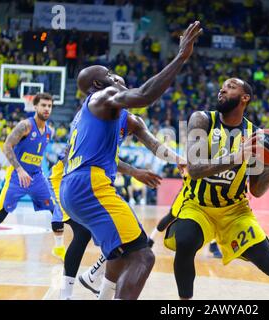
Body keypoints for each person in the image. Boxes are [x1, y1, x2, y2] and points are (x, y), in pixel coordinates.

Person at [59, 21, 202, 300]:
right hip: (90, 185)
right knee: (143, 256)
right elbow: (145, 95)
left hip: (76, 186)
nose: (117, 75)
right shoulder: (103, 97)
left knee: (120, 249)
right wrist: (180, 57)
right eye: (110, 73)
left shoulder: (114, 116)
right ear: (99, 84)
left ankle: (100, 289)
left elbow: (151, 142)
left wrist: (177, 161)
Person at [163, 78, 269, 300]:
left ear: (245, 98)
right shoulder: (202, 120)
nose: (222, 89)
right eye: (222, 86)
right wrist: (235, 157)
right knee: (185, 241)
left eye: (230, 86)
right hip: (197, 207)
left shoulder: (256, 137)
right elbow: (194, 169)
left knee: (268, 261)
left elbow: (257, 190)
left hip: (235, 211)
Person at [0, 93, 59, 254]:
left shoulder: (49, 132)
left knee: (56, 209)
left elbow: (37, 154)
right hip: (17, 177)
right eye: (43, 105)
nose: (47, 109)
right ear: (35, 107)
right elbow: (7, 146)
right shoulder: (25, 126)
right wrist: (19, 169)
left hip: (37, 177)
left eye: (49, 106)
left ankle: (59, 247)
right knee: (1, 214)